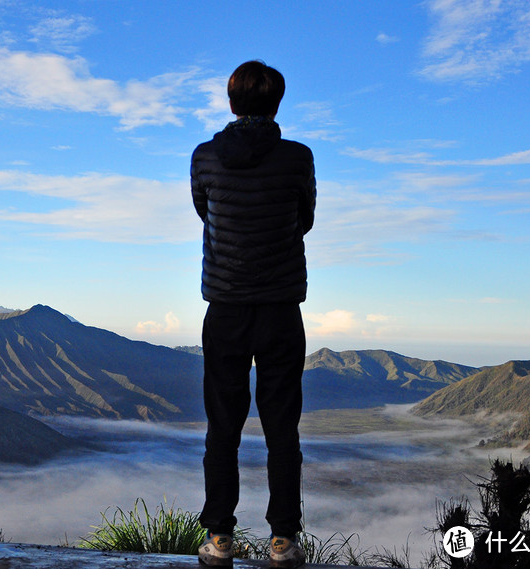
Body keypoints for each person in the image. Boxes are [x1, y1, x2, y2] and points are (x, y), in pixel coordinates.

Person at [191, 60, 315, 568]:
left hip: (225, 307)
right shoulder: (298, 158)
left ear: (231, 101)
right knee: (282, 427)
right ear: (278, 103)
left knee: (224, 426)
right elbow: (303, 220)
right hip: (281, 308)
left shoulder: (205, 158)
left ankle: (219, 539)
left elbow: (206, 212)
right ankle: (283, 542)